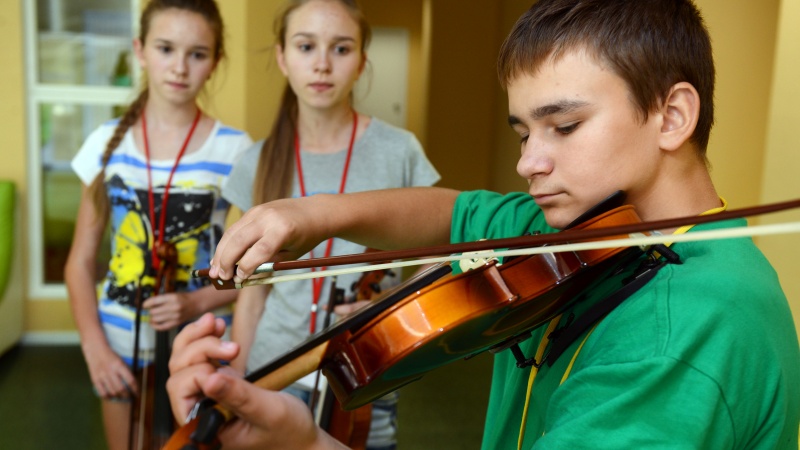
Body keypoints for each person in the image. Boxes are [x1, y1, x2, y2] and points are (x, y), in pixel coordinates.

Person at [166, 0, 800, 448]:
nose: (529, 162)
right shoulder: (579, 233)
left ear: (670, 117)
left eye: (565, 126)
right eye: (523, 132)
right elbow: (451, 212)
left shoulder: (680, 337)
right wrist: (309, 214)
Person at [223, 1, 439, 448]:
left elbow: (440, 255)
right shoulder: (256, 161)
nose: (322, 64)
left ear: (361, 61)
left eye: (341, 49)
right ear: (283, 57)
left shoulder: (399, 151)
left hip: (367, 365)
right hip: (276, 367)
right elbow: (251, 293)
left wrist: (387, 306)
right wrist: (240, 379)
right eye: (306, 47)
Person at [64, 1, 253, 449]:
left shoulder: (235, 149)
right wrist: (95, 350)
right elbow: (79, 263)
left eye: (198, 54)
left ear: (215, 63)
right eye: (166, 48)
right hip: (117, 341)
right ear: (140, 50)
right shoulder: (104, 144)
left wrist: (195, 302)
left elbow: (250, 272)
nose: (180, 68)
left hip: (203, 336)